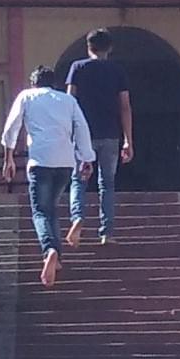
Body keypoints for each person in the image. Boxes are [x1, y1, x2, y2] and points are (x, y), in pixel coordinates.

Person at [2, 65, 93, 288]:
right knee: (52, 208)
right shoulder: (68, 100)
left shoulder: (27, 96)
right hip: (65, 162)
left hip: (40, 161)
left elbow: (11, 127)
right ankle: (57, 257)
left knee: (40, 211)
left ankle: (49, 249)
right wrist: (86, 158)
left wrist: (9, 158)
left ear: (33, 83)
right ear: (54, 83)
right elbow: (82, 127)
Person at [63, 28, 134, 246]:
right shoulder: (117, 71)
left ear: (88, 47)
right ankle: (106, 232)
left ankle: (78, 219)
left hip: (83, 135)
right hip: (110, 134)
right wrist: (128, 139)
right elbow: (124, 106)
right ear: (109, 48)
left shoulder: (77, 67)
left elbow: (69, 103)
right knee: (107, 184)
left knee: (78, 180)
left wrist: (68, 134)